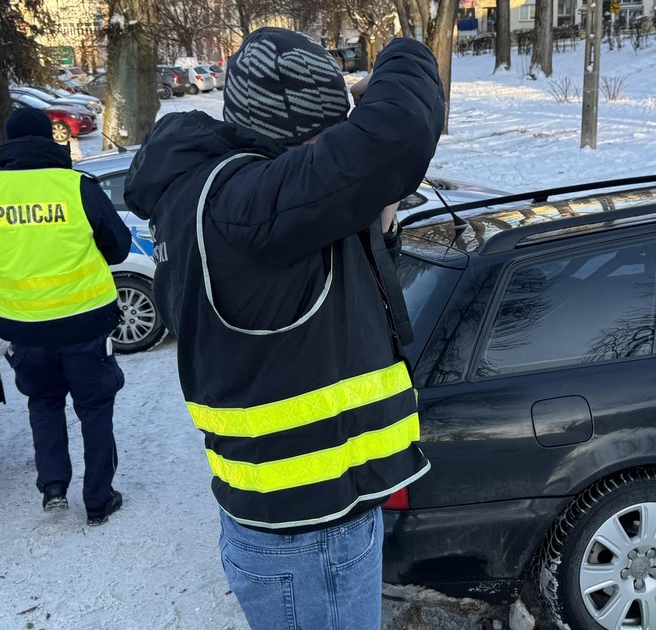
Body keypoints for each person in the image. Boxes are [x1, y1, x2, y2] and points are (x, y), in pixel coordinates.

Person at [124, 28, 444, 629]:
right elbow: (399, 134)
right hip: (307, 539)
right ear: (289, 139)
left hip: (305, 517)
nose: (334, 159)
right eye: (328, 141)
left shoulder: (213, 196)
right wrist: (404, 52)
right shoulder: (246, 205)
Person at [0, 108, 131, 526]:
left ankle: (53, 487)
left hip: (22, 326)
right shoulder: (76, 186)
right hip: (85, 320)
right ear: (50, 139)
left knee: (44, 402)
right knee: (94, 406)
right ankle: (98, 499)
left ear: (8, 144)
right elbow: (119, 247)